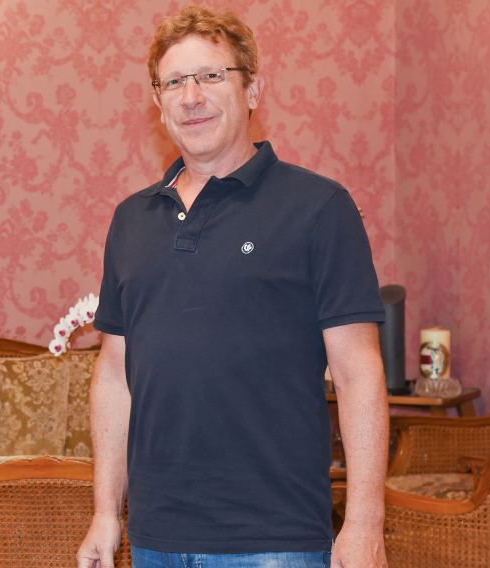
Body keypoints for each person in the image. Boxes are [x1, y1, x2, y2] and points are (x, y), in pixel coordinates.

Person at [77, 6, 388, 568]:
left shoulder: (319, 209)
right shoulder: (130, 219)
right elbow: (115, 373)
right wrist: (106, 513)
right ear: (158, 102)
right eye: (174, 82)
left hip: (276, 538)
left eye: (211, 76)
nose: (191, 96)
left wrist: (365, 525)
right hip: (155, 538)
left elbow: (358, 370)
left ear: (252, 90)